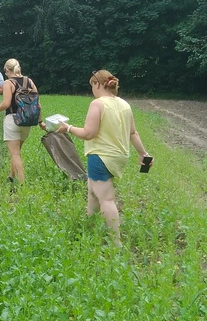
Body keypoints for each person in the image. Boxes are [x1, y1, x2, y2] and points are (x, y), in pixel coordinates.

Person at [55, 69, 152, 246]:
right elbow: (133, 132)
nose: (92, 89)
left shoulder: (98, 104)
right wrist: (142, 153)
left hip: (101, 156)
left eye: (92, 85)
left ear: (97, 84)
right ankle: (89, 225)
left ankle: (116, 244)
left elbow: (88, 133)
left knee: (106, 199)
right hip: (119, 156)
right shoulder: (124, 104)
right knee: (92, 189)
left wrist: (68, 128)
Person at [0, 58, 40, 184]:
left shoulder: (8, 83)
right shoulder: (29, 81)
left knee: (15, 154)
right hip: (27, 121)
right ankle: (11, 176)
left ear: (7, 70)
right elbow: (38, 104)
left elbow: (5, 104)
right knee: (16, 152)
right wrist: (40, 121)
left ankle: (22, 183)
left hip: (12, 120)